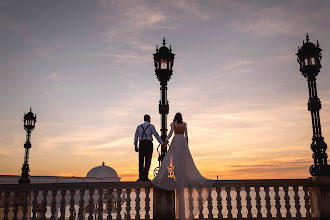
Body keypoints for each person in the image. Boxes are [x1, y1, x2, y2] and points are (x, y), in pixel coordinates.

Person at [152, 112, 213, 220]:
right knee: (184, 162)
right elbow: (187, 136)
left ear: (175, 117)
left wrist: (165, 141)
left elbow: (170, 134)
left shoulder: (173, 124)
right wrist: (186, 147)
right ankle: (182, 176)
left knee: (174, 161)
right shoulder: (185, 124)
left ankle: (176, 177)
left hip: (176, 142)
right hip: (183, 142)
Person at [134, 114, 163, 181]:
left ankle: (141, 176)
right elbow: (156, 135)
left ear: (144, 119)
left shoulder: (139, 127)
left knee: (141, 160)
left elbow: (136, 137)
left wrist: (136, 146)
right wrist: (161, 143)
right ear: (149, 119)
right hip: (148, 143)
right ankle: (145, 176)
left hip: (141, 143)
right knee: (148, 160)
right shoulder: (151, 126)